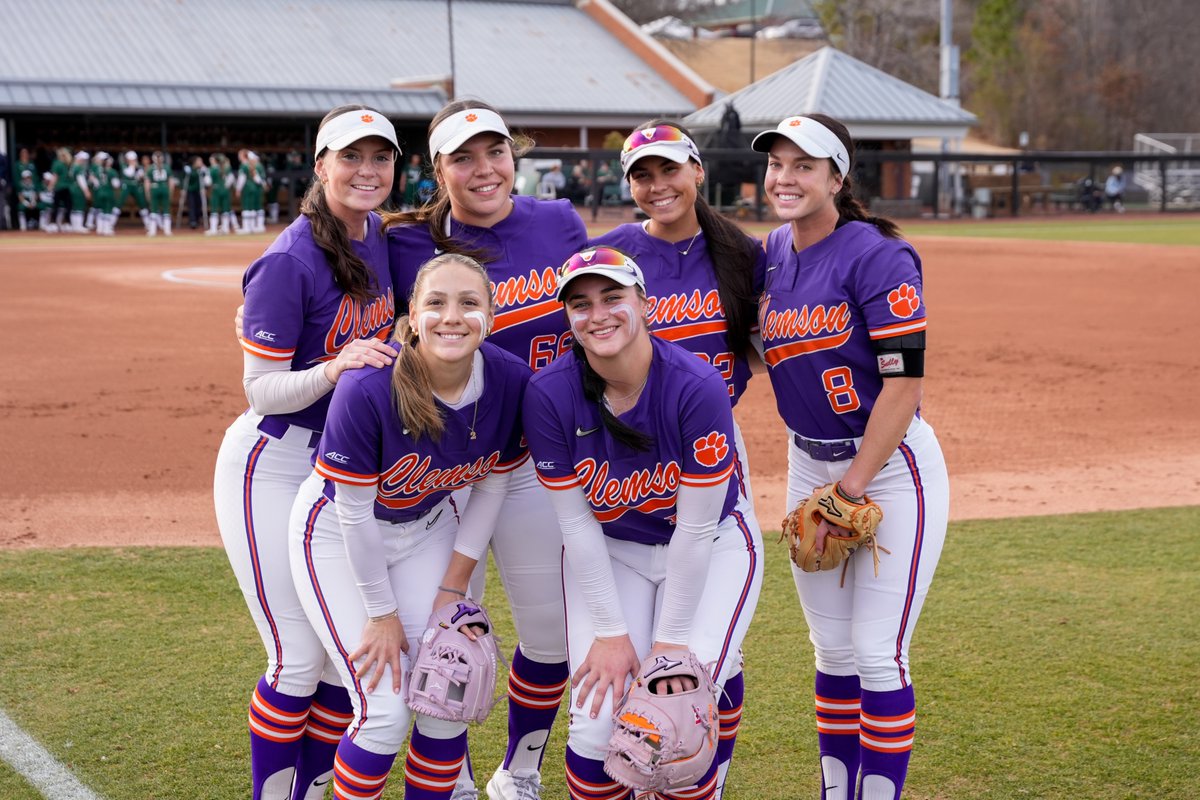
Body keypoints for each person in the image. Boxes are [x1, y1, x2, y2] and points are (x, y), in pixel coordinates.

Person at [383, 98, 588, 800]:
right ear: (437, 169)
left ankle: (520, 769)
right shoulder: (404, 241)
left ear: (513, 155)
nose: (483, 169)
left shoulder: (558, 223)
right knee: (442, 634)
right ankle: (456, 775)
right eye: (462, 157)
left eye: (494, 151)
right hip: (442, 470)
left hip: (531, 464)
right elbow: (333, 270)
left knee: (552, 637)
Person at [750, 114, 950, 800]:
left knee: (877, 654)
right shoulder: (769, 252)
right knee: (831, 652)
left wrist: (851, 491)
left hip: (890, 469)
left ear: (837, 177)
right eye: (777, 164)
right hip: (808, 462)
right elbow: (761, 348)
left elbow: (904, 384)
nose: (786, 177)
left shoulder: (878, 256)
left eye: (804, 165)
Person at [523, 246, 763, 800]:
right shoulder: (549, 393)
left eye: (613, 297)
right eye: (579, 304)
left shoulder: (697, 385)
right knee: (595, 719)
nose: (597, 313)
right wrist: (610, 632)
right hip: (613, 550)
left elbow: (697, 528)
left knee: (674, 707)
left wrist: (670, 643)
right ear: (567, 318)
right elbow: (577, 525)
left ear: (644, 304)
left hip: (714, 546)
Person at [289, 252, 532, 800]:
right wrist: (382, 614)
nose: (452, 317)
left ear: (491, 316)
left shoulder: (510, 380)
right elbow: (352, 512)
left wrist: (453, 588)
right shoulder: (369, 386)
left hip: (426, 528)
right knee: (384, 711)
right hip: (335, 535)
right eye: (436, 303)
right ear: (412, 316)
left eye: (469, 303)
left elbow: (492, 484)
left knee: (446, 698)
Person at [213, 104, 401, 800]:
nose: (366, 170)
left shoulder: (385, 236)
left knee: (332, 663)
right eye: (350, 157)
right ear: (321, 166)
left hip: (341, 472)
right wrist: (333, 367)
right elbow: (260, 390)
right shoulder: (290, 259)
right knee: (296, 658)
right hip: (274, 462)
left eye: (380, 158)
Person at [589, 119, 763, 799]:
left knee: (714, 652)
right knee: (647, 656)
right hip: (631, 453)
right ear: (629, 185)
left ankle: (701, 775)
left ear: (696, 171)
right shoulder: (610, 253)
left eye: (668, 169)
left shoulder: (742, 255)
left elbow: (761, 340)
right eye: (642, 174)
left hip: (709, 448)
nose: (657, 185)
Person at [116, 150, 150, 231]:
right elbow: (129, 173)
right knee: (119, 203)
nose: (132, 161)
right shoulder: (124, 166)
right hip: (127, 186)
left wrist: (139, 171)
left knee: (142, 204)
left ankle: (148, 224)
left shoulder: (139, 167)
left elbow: (141, 177)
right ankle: (110, 224)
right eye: (131, 159)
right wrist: (133, 167)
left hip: (136, 186)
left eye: (133, 159)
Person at [144, 151, 174, 236]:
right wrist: (170, 191)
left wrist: (147, 192)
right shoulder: (167, 167)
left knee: (153, 210)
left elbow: (147, 182)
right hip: (164, 188)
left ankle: (153, 231)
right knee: (166, 210)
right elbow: (171, 182)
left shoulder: (150, 168)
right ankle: (167, 230)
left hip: (154, 188)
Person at [206, 153, 236, 235]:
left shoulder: (211, 169)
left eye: (211, 159)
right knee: (225, 209)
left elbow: (207, 182)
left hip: (216, 190)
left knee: (214, 209)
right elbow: (231, 179)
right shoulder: (226, 168)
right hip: (225, 190)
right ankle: (225, 229)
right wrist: (225, 186)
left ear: (215, 160)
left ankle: (213, 229)